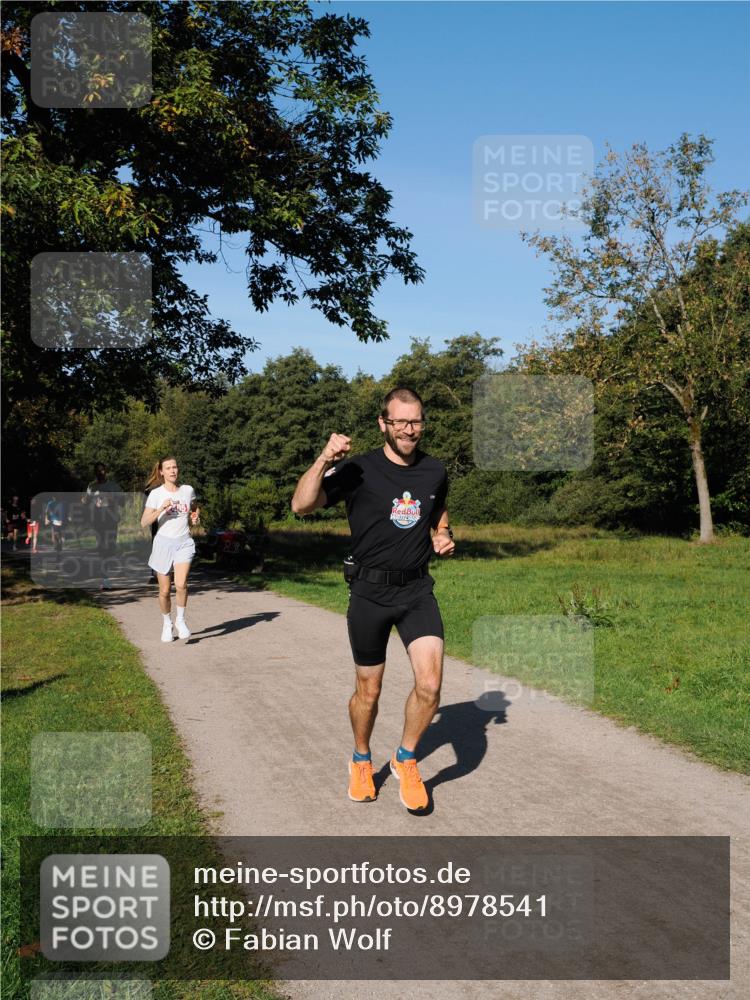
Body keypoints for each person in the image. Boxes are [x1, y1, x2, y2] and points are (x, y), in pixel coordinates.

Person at [291, 387, 455, 812]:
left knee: (431, 683)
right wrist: (326, 459)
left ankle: (405, 758)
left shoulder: (434, 471)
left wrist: (441, 534)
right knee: (369, 690)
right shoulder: (358, 470)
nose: (409, 429)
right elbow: (301, 505)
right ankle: (361, 759)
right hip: (368, 592)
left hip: (417, 589)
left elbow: (436, 510)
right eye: (400, 421)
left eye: (415, 421)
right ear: (383, 424)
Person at [141, 456, 200, 642]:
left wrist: (195, 517)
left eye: (175, 467)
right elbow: (144, 522)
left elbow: (195, 507)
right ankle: (167, 623)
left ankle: (180, 620)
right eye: (168, 468)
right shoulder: (156, 494)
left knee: (181, 584)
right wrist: (160, 510)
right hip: (163, 544)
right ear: (161, 472)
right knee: (165, 591)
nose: (173, 471)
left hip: (183, 542)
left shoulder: (187, 490)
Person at [82, 462, 123, 590]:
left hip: (111, 521)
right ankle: (105, 579)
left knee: (110, 548)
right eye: (98, 471)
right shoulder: (91, 486)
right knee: (102, 548)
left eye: (103, 470)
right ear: (95, 472)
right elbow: (86, 501)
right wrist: (84, 500)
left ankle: (107, 572)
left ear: (106, 471)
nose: (101, 473)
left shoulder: (113, 486)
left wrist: (112, 498)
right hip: (98, 522)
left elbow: (123, 502)